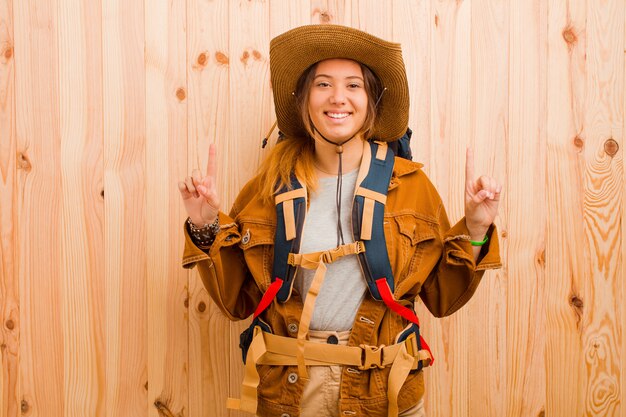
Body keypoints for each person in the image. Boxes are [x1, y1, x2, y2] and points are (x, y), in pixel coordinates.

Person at [178, 24, 502, 417]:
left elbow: (443, 297)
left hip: (385, 391)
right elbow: (237, 301)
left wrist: (475, 229)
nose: (338, 98)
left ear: (370, 101)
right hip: (290, 393)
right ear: (304, 100)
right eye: (323, 85)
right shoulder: (268, 188)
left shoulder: (412, 187)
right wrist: (206, 226)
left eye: (353, 85)